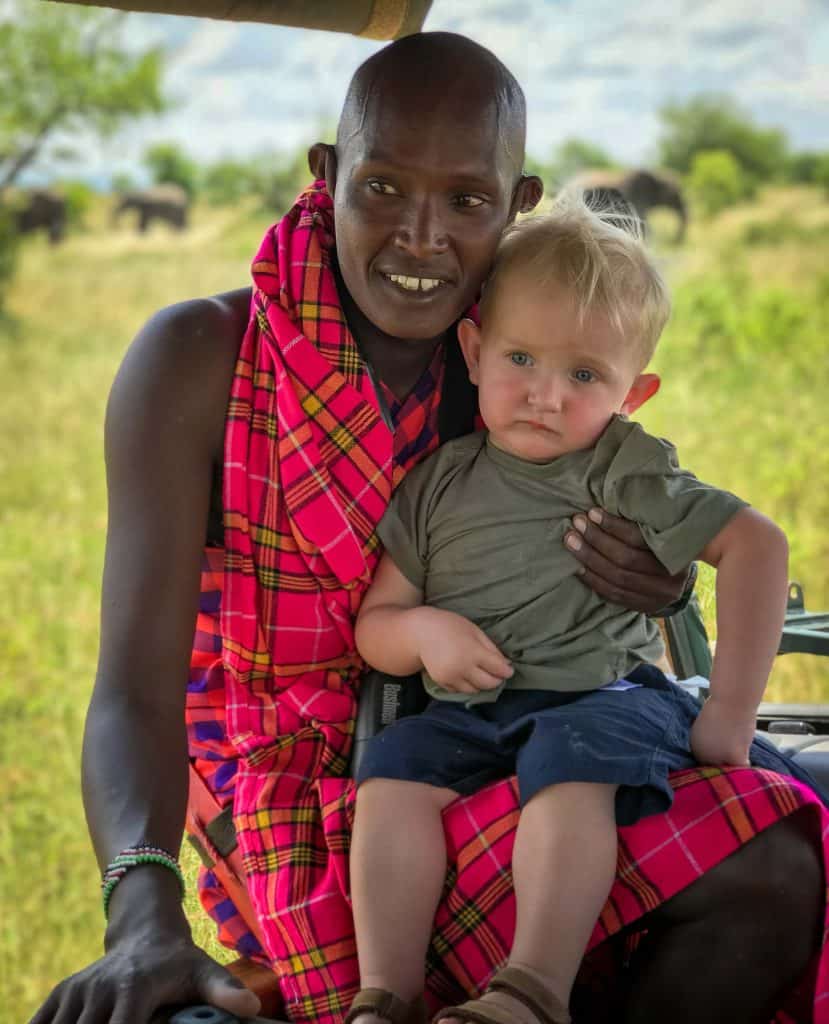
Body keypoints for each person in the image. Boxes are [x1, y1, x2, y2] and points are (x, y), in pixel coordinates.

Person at [31, 30, 826, 1024]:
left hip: (500, 741)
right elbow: (130, 691)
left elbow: (646, 538)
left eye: (465, 201)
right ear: (329, 174)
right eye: (382, 189)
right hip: (272, 794)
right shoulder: (198, 358)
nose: (420, 236)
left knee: (780, 863)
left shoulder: (517, 369)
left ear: (516, 204)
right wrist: (142, 912)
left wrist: (646, 577)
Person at [347, 198, 793, 1024]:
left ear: (635, 391)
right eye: (521, 357)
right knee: (391, 778)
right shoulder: (439, 482)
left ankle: (532, 991)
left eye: (584, 375)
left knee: (568, 758)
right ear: (474, 352)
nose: (545, 396)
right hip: (470, 711)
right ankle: (386, 997)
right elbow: (378, 625)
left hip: (600, 697)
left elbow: (756, 546)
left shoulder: (622, 466)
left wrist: (728, 718)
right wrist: (422, 631)